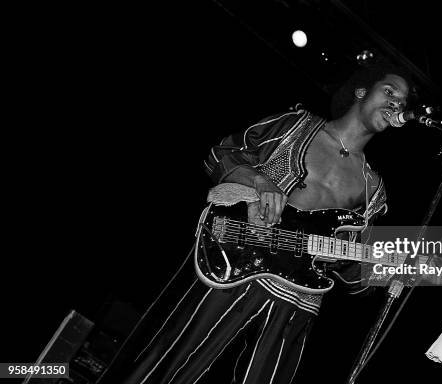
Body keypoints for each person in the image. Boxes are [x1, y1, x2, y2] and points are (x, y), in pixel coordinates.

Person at [118, 61, 417, 384]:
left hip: (298, 298)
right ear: (362, 91)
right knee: (172, 361)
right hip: (236, 265)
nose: (395, 105)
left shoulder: (373, 187)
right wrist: (260, 183)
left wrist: (388, 267)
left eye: (401, 102)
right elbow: (221, 154)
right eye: (389, 92)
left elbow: (355, 276)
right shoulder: (293, 126)